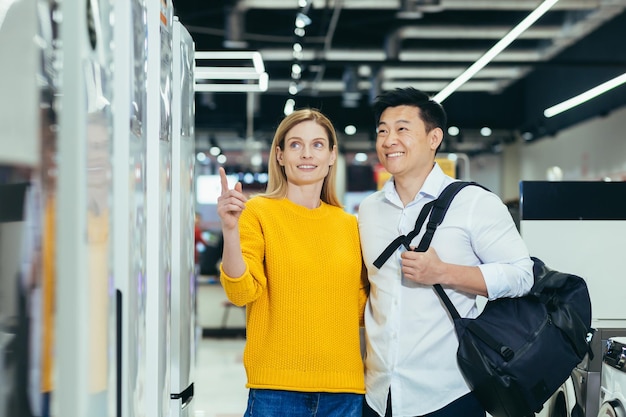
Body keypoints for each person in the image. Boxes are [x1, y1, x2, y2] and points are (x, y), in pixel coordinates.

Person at [357, 87, 534, 417]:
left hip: (449, 395)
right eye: (382, 130)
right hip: (379, 396)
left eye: (402, 129)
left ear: (433, 137)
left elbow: (523, 275)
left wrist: (444, 273)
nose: (389, 139)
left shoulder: (474, 203)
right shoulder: (369, 210)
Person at [217, 108, 369, 417]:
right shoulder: (258, 212)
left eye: (317, 145)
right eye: (296, 145)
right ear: (280, 155)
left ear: (331, 156)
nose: (306, 154)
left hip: (345, 392)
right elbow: (241, 292)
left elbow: (363, 309)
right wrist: (230, 232)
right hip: (276, 392)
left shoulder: (350, 225)